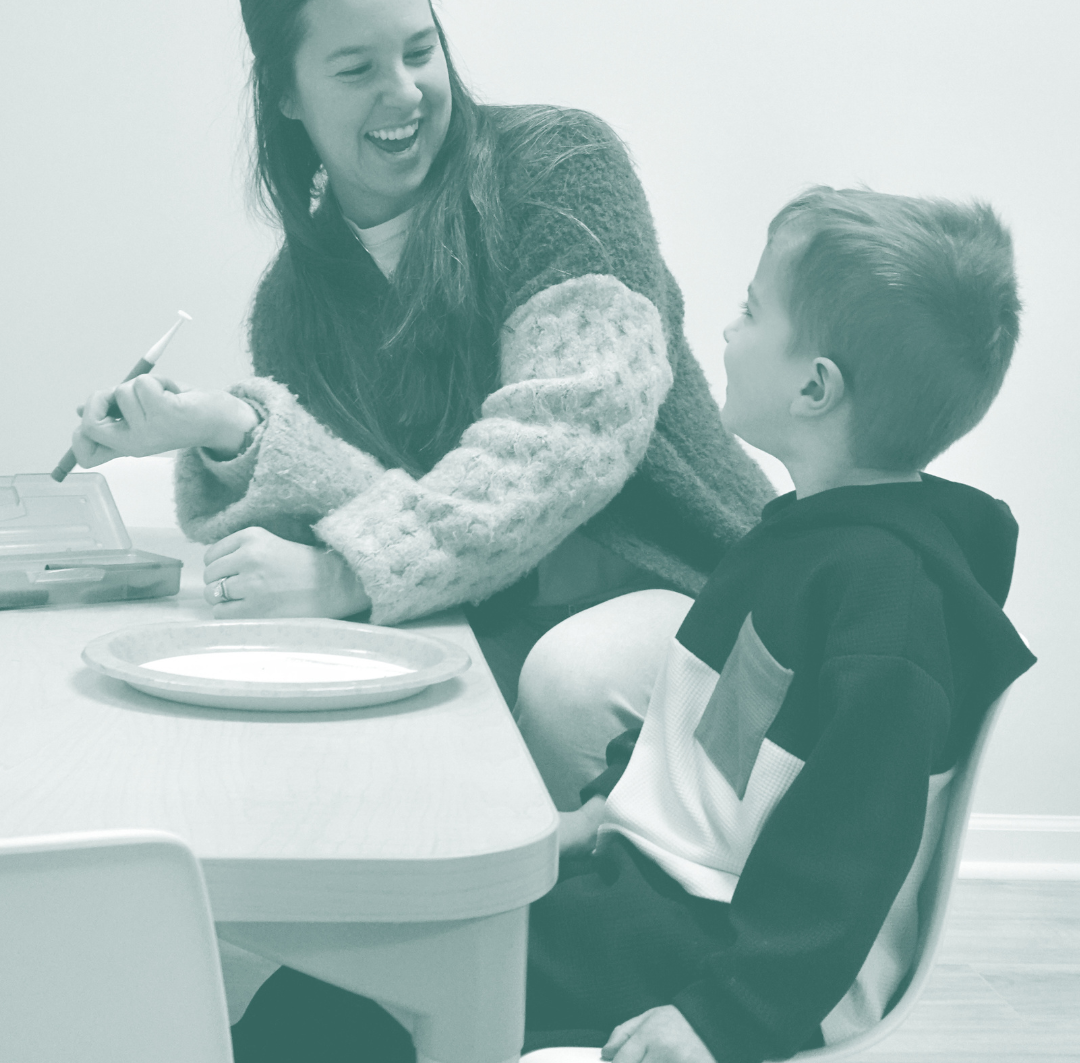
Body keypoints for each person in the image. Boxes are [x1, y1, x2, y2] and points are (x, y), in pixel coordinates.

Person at [230, 184, 1036, 1062]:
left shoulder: (887, 609)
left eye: (751, 314)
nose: (727, 335)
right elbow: (709, 738)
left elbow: (846, 860)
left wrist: (720, 1019)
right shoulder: (800, 541)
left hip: (720, 951)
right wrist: (605, 810)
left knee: (346, 1008)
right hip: (660, 895)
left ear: (815, 386)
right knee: (332, 989)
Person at [69, 0, 773, 811]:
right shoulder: (294, 301)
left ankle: (534, 938)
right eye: (357, 70)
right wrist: (231, 430)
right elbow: (379, 502)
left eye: (420, 50)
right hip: (491, 618)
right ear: (286, 94)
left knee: (567, 677)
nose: (403, 93)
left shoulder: (561, 167)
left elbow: (571, 432)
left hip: (696, 589)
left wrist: (351, 572)